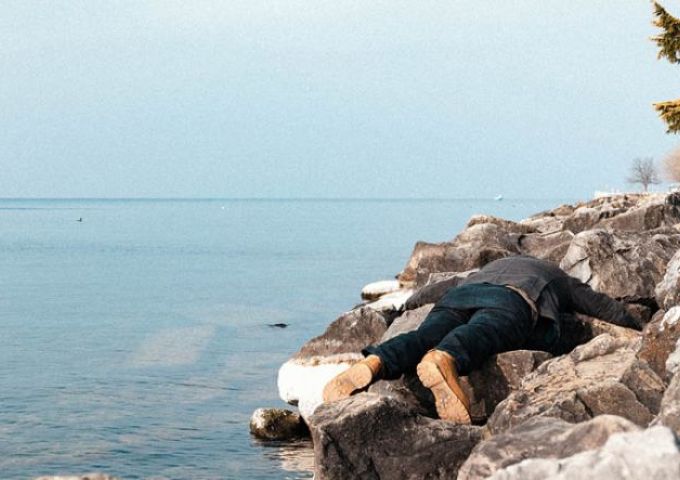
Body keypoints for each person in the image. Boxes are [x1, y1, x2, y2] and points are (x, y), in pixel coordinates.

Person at [322, 255, 641, 424]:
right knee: (485, 330)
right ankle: (445, 358)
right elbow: (600, 306)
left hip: (459, 296)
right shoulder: (556, 275)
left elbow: (435, 290)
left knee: (423, 336)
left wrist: (406, 306)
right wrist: (639, 325)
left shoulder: (484, 270)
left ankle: (375, 362)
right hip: (514, 299)